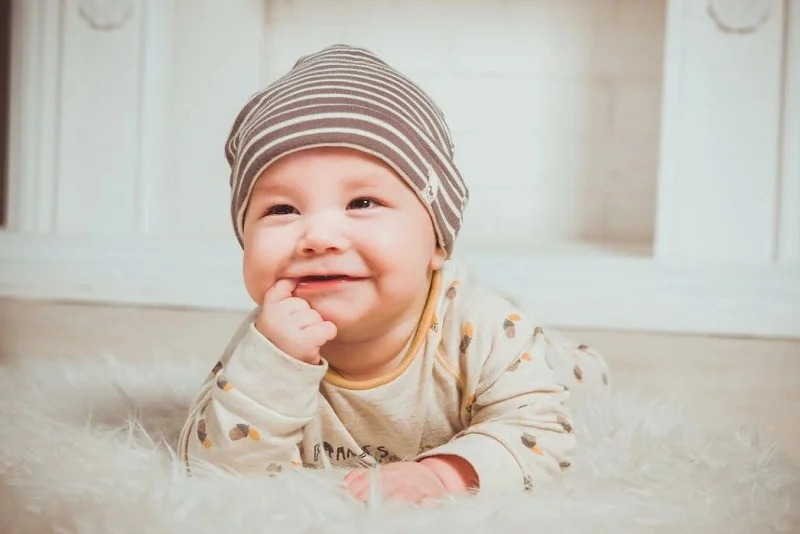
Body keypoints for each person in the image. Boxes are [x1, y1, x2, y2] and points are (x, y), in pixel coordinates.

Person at [177, 44, 610, 504]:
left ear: (437, 242)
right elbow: (212, 468)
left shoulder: (482, 328)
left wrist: (444, 475)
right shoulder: (269, 344)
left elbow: (540, 431)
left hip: (528, 359)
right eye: (282, 208)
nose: (319, 236)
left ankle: (572, 358)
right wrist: (273, 368)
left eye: (362, 203)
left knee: (563, 375)